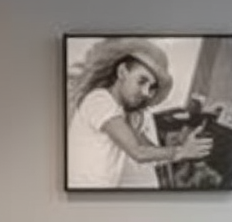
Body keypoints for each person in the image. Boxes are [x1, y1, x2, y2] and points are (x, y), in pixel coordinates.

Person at [66, 38, 213, 188]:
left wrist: (185, 145)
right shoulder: (99, 99)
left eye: (151, 87)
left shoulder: (121, 114)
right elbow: (138, 152)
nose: (146, 93)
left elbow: (151, 153)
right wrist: (180, 151)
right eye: (142, 81)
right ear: (122, 72)